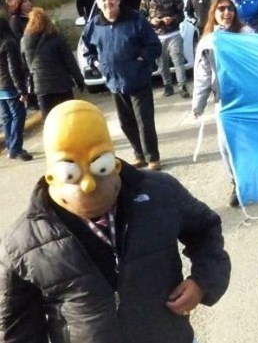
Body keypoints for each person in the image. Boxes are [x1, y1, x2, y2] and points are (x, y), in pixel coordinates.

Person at [0, 99, 231, 342]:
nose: (88, 185)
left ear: (115, 164)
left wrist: (202, 281)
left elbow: (205, 229)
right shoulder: (23, 243)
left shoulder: (160, 193)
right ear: (51, 175)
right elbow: (18, 328)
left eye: (99, 166)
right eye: (71, 173)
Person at [192, 0, 258, 208]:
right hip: (225, 101)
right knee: (227, 146)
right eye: (221, 9)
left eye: (230, 8)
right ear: (214, 13)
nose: (226, 12)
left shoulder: (246, 35)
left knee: (257, 142)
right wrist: (198, 104)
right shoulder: (208, 42)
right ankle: (238, 183)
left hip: (250, 99)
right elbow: (203, 75)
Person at [84, 0, 163, 171]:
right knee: (125, 123)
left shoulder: (136, 19)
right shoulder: (94, 25)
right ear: (98, 3)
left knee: (144, 121)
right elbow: (88, 51)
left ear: (118, 0)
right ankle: (139, 154)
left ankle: (153, 157)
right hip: (114, 82)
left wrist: (142, 57)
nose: (108, 2)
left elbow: (154, 46)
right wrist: (96, 63)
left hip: (138, 79)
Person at [21, 7, 84, 119]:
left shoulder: (24, 42)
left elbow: (24, 65)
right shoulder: (56, 38)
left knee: (50, 120)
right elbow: (70, 61)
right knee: (68, 117)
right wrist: (79, 80)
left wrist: (25, 88)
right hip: (62, 85)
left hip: (41, 88)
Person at [139, 0, 190, 98]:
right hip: (157, 36)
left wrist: (172, 19)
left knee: (177, 60)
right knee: (162, 63)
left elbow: (182, 13)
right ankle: (167, 85)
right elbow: (141, 16)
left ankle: (182, 85)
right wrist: (151, 21)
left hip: (173, 33)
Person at [0, 18, 32, 161]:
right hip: (10, 85)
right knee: (18, 115)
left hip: (1, 87)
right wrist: (22, 89)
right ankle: (16, 148)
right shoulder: (10, 43)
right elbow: (13, 68)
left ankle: (10, 147)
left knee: (7, 117)